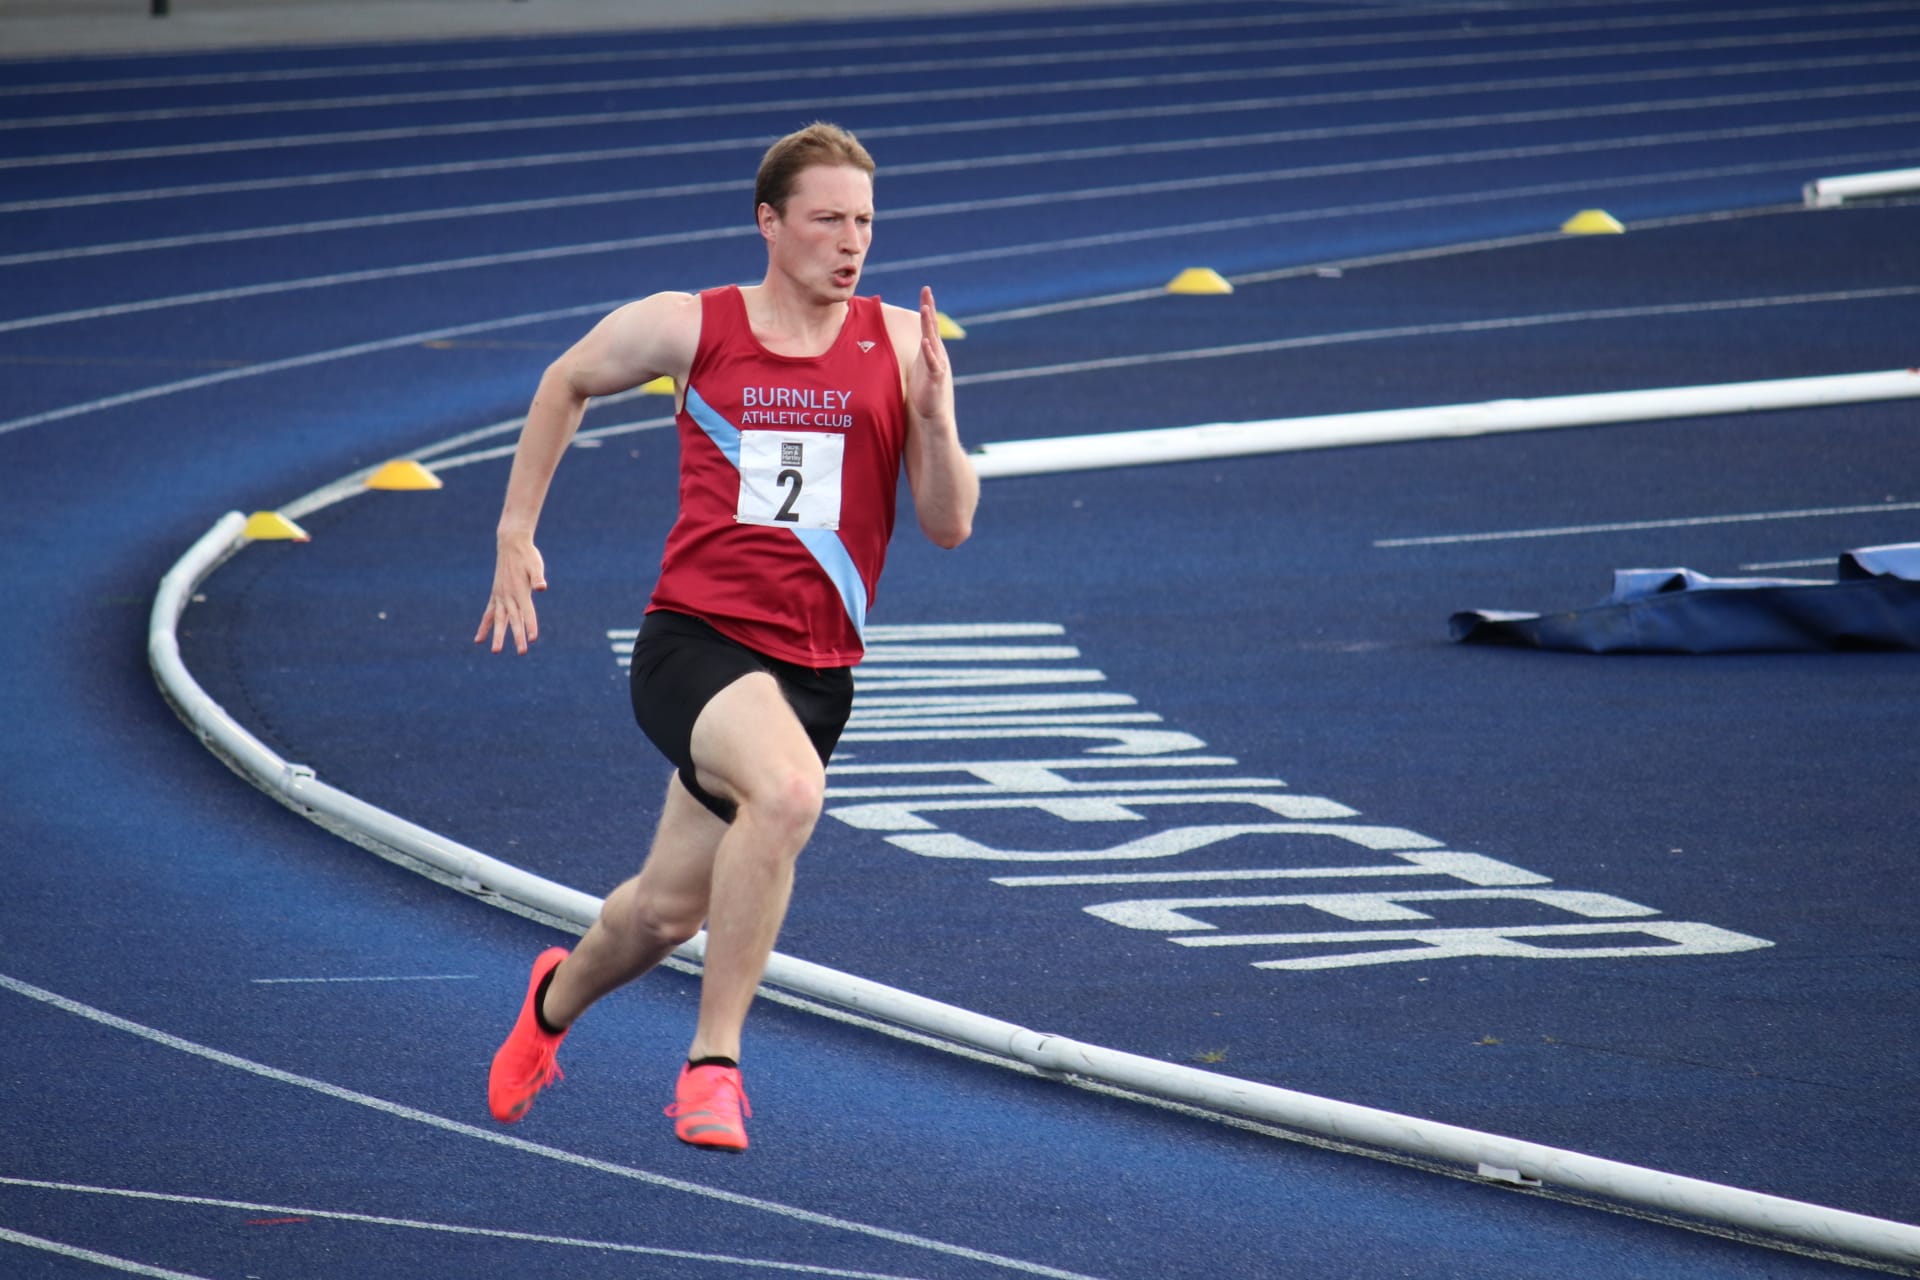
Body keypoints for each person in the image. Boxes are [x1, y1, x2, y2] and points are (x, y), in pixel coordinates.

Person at [474, 121, 978, 1152]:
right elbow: (566, 379)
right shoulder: (690, 324)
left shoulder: (899, 342)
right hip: (694, 643)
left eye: (865, 221)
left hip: (816, 674)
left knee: (662, 914)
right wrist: (515, 529)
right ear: (769, 223)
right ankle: (714, 1064)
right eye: (827, 220)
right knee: (787, 794)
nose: (852, 242)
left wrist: (934, 417)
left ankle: (551, 1003)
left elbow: (948, 524)